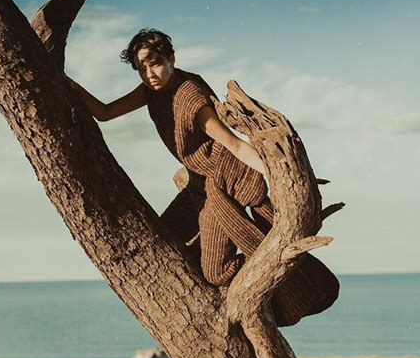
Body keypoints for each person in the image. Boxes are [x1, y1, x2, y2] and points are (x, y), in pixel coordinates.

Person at [67, 28, 339, 326]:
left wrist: (282, 175)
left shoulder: (189, 97)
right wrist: (61, 78)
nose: (149, 73)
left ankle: (271, 294)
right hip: (200, 182)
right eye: (141, 68)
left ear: (171, 58)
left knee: (216, 271)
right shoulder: (151, 90)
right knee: (162, 239)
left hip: (225, 180)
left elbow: (233, 143)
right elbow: (104, 112)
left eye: (155, 62)